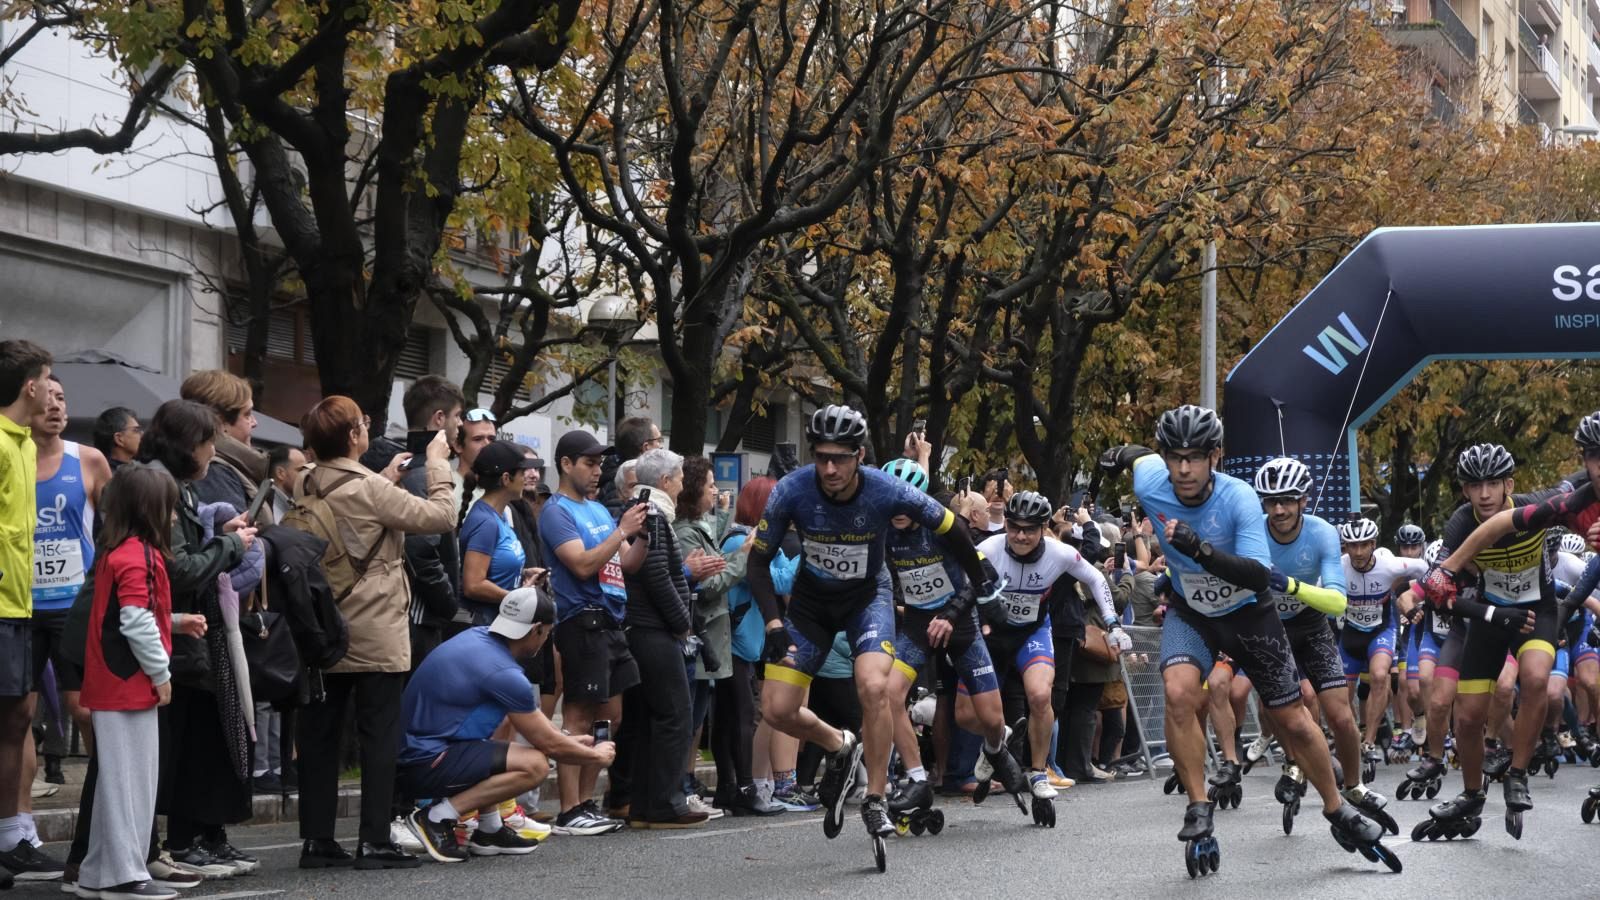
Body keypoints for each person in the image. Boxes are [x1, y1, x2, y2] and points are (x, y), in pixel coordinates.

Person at [1099, 405, 1397, 875]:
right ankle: (1199, 805)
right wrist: (1120, 454)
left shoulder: (1237, 499)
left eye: (1195, 457)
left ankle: (1337, 807)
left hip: (1248, 615)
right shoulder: (1149, 480)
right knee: (1179, 694)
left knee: (1294, 720)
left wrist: (1200, 549)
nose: (1183, 469)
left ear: (1214, 456)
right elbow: (1139, 458)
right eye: (1174, 457)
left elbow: (1259, 576)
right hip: (1191, 612)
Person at [747, 405, 992, 853]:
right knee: (777, 709)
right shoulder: (791, 491)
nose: (829, 468)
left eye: (839, 457)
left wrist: (978, 574)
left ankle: (876, 798)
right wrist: (773, 621)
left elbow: (953, 525)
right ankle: (840, 745)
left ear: (859, 455)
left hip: (866, 600)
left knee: (875, 687)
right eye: (821, 456)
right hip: (810, 606)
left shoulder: (886, 489)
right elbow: (758, 563)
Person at [293, 396, 455, 870]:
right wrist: (438, 466)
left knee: (320, 736)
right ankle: (374, 840)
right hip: (374, 627)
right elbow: (440, 517)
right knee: (379, 736)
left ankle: (318, 840)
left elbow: (347, 511)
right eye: (362, 423)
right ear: (352, 437)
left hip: (321, 625)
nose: (366, 429)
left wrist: (384, 482)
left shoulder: (303, 479)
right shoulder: (369, 487)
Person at [134, 399, 258, 877]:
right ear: (188, 444)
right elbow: (177, 568)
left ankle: (160, 849)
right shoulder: (159, 486)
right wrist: (230, 545)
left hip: (179, 628)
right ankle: (148, 853)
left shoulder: (176, 486)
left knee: (175, 745)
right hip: (163, 634)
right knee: (160, 751)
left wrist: (219, 532)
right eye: (208, 442)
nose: (213, 452)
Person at [399, 588, 615, 862]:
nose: (547, 638)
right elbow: (547, 744)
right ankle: (437, 817)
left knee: (503, 722)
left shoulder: (476, 638)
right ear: (537, 629)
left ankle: (489, 828)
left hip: (416, 754)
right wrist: (595, 755)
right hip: (422, 764)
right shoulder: (505, 674)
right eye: (548, 632)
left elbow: (539, 730)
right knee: (534, 765)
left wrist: (569, 741)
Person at [1420, 443, 1565, 840]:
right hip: (1492, 616)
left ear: (1509, 485)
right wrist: (1420, 591)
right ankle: (1470, 795)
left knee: (1535, 680)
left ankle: (1517, 773)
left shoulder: (1536, 506)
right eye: (1474, 485)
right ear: (1464, 491)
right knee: (1466, 718)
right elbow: (1438, 586)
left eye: (1493, 483)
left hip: (1537, 613)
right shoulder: (1461, 523)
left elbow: (1581, 491)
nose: (1484, 493)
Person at [1246, 457, 1394, 830]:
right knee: (1282, 707)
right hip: (1270, 627)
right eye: (1270, 501)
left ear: (1304, 501)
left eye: (1288, 500)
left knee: (1341, 716)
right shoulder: (1252, 531)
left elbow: (1337, 601)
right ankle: (1295, 764)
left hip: (1311, 626)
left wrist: (1291, 585)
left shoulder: (1322, 532)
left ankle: (1354, 786)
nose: (1278, 510)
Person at [877, 457, 1026, 826]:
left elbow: (984, 575)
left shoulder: (944, 527)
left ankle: (995, 748)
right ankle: (916, 779)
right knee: (889, 693)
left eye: (906, 499)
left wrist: (951, 613)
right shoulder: (883, 531)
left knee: (992, 719)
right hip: (917, 624)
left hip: (960, 624)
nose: (898, 509)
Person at [75, 464, 185, 900]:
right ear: (151, 510)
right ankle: (123, 876)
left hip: (112, 681)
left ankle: (99, 870)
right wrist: (161, 674)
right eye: (170, 508)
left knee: (115, 784)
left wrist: (173, 624)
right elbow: (136, 620)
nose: (174, 517)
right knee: (131, 785)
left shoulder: (116, 550)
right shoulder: (140, 554)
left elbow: (126, 617)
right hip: (128, 683)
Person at [976, 491, 1122, 806]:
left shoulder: (1059, 553)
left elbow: (1096, 579)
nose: (1020, 535)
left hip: (1033, 632)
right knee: (966, 711)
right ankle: (994, 743)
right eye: (1014, 527)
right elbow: (959, 581)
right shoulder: (988, 549)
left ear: (1044, 528)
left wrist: (1112, 623)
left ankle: (1038, 772)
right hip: (992, 634)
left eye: (1030, 529)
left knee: (1041, 696)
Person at [539, 430, 648, 835]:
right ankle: (570, 808)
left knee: (612, 715)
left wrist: (644, 533)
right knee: (580, 715)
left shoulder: (600, 511)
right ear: (566, 464)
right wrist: (621, 531)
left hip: (612, 620)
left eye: (600, 464)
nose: (597, 472)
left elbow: (628, 564)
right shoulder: (557, 511)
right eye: (589, 463)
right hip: (581, 619)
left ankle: (586, 801)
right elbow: (582, 565)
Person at [608, 449, 707, 828]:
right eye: (680, 476)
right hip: (653, 629)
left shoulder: (645, 509)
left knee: (653, 717)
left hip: (645, 628)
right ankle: (665, 803)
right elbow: (658, 575)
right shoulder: (652, 512)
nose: (684, 482)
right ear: (665, 481)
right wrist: (682, 622)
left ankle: (644, 806)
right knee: (675, 715)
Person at [27, 376, 112, 814]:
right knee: (18, 717)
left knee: (84, 710)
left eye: (62, 397)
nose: (57, 407)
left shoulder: (90, 460)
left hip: (73, 606)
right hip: (18, 607)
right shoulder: (10, 458)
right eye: (47, 399)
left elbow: (117, 530)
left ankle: (105, 805)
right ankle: (17, 823)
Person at [673, 457, 766, 814]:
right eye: (710, 484)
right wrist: (743, 556)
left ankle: (696, 786)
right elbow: (710, 585)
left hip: (713, 640)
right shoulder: (685, 533)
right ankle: (682, 788)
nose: (715, 490)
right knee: (693, 718)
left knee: (701, 717)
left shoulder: (700, 528)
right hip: (702, 637)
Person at [0, 339, 56, 887]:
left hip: (21, 604)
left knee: (17, 718)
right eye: (47, 379)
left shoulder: (21, 443)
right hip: (2, 603)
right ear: (29, 386)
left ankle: (11, 838)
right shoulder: (0, 440)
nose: (53, 390)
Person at [1338, 517, 1426, 780]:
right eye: (1351, 546)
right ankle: (1353, 736)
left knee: (1379, 676)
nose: (1357, 552)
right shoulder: (1339, 567)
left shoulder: (1390, 565)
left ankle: (1370, 741)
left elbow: (1426, 569)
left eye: (1363, 545)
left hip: (1381, 631)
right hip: (1350, 634)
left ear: (1373, 544)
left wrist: (1411, 594)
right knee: (1342, 693)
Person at [459, 441, 541, 624]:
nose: (527, 477)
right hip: (484, 626)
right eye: (522, 473)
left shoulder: (501, 515)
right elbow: (473, 585)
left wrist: (523, 573)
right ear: (506, 479)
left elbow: (493, 566)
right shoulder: (485, 522)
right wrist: (516, 598)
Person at [180, 370, 270, 524]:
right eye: (247, 414)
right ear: (221, 424)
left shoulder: (221, 466)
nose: (255, 423)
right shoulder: (213, 471)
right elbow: (238, 544)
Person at [453, 407, 499, 524]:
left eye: (491, 439)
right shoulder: (446, 486)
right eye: (478, 439)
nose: (487, 445)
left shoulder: (503, 488)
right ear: (458, 445)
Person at [91, 407, 142, 471]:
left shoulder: (97, 472)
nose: (143, 434)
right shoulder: (111, 476)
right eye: (136, 430)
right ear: (119, 439)